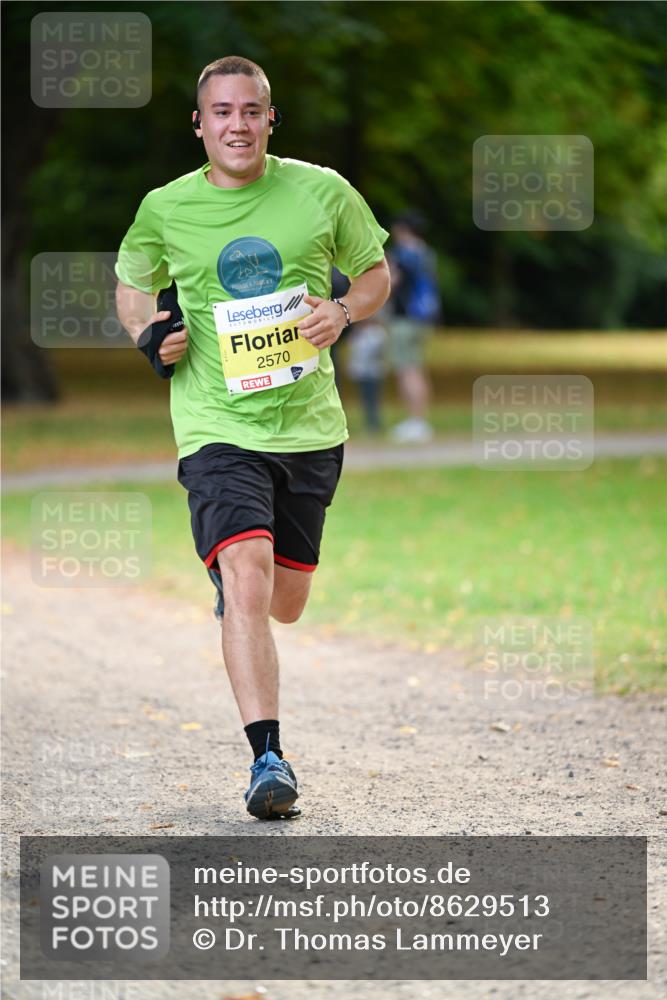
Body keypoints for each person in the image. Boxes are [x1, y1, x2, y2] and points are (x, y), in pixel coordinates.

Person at [114, 56, 390, 819]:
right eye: (222, 112)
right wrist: (148, 334)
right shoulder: (166, 207)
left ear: (271, 120)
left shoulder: (323, 191)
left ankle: (241, 597)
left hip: (307, 427)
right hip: (214, 423)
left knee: (286, 601)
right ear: (198, 124)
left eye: (251, 111)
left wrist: (343, 312)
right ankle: (267, 758)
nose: (237, 124)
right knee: (246, 568)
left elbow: (373, 273)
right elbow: (134, 283)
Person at [387, 211, 441, 443]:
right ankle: (420, 420)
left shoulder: (401, 254)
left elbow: (389, 282)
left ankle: (415, 421)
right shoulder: (427, 253)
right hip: (424, 318)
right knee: (417, 368)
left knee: (407, 369)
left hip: (404, 319)